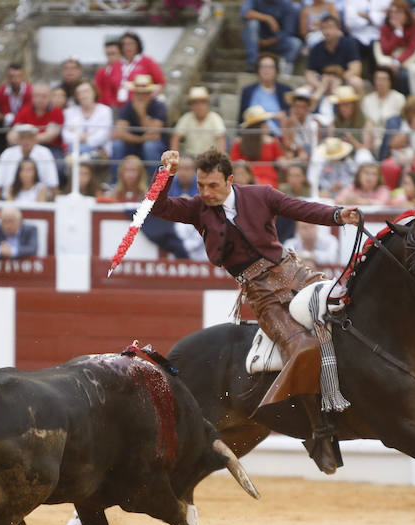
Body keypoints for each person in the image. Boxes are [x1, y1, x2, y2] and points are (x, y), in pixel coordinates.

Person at [152, 148, 363, 473]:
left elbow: (300, 208)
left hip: (297, 275)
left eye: (213, 186)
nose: (205, 192)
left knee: (352, 309)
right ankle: (319, 433)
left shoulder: (260, 195)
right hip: (263, 296)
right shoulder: (197, 209)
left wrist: (337, 215)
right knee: (303, 348)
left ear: (230, 180)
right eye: (201, 185)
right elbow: (158, 206)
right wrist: (165, 173)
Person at [111, 74, 168, 179]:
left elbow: (154, 131)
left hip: (156, 147)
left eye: (144, 93)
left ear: (150, 93)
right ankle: (115, 181)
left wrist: (141, 113)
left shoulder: (159, 106)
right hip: (133, 145)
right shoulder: (128, 107)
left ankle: (155, 182)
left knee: (150, 146)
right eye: (138, 93)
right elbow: (119, 132)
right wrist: (141, 139)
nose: (141, 96)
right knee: (117, 145)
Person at [378, 95, 415, 190]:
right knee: (390, 166)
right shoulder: (394, 121)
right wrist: (412, 128)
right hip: (396, 156)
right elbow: (393, 144)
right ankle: (390, 192)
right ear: (409, 112)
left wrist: (410, 162)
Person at [0, 124, 58, 201]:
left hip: (39, 200)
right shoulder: (7, 154)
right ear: (18, 139)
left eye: (29, 137)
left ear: (35, 139)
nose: (26, 141)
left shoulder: (45, 153)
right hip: (9, 201)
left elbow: (53, 184)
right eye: (22, 137)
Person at [7, 82, 64, 163]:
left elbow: (49, 136)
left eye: (43, 96)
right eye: (37, 95)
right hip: (24, 147)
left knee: (58, 165)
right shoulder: (24, 111)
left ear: (50, 97)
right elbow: (12, 135)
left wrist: (25, 139)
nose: (39, 99)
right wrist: (25, 141)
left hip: (51, 147)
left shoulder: (57, 112)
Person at [241, 0, 303, 74]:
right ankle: (252, 63)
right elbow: (245, 13)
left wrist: (268, 42)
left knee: (296, 43)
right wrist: (268, 18)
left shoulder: (287, 4)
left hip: (276, 41)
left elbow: (288, 31)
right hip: (256, 41)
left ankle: (284, 67)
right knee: (252, 23)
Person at [231, 106, 286, 188]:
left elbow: (281, 161)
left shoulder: (272, 142)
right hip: (246, 181)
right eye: (264, 123)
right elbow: (235, 164)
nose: (267, 126)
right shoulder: (238, 143)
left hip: (268, 180)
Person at [239, 54, 293, 137]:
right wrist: (273, 115)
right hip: (253, 137)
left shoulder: (285, 90)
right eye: (263, 67)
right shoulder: (248, 91)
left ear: (276, 70)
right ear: (258, 69)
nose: (266, 70)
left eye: (270, 67)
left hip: (279, 137)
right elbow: (242, 118)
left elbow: (289, 116)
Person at [375, 0, 415, 94]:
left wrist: (398, 61)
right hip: (389, 61)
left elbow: (412, 48)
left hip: (408, 61)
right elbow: (386, 50)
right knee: (387, 73)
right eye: (391, 12)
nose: (394, 15)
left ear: (406, 14)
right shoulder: (385, 28)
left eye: (398, 12)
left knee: (404, 75)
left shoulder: (414, 27)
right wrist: (398, 32)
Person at [305, 16, 363, 93]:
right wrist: (319, 85)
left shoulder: (349, 45)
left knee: (356, 82)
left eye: (330, 27)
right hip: (322, 81)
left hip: (343, 79)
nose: (327, 31)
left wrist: (340, 78)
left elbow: (356, 69)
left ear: (338, 29)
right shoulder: (316, 48)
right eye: (324, 28)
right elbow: (309, 72)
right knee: (304, 90)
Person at [170, 87, 227, 156]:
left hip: (210, 157)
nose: (199, 106)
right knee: (185, 161)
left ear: (207, 104)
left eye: (202, 102)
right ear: (191, 106)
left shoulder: (215, 118)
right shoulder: (186, 117)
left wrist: (219, 158)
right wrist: (174, 157)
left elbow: (221, 140)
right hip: (190, 157)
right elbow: (176, 138)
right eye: (194, 103)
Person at [62, 81, 113, 158]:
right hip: (74, 150)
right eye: (79, 93)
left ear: (94, 92)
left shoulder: (105, 110)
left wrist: (81, 139)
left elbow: (103, 135)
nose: (83, 95)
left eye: (86, 91)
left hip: (99, 152)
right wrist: (82, 137)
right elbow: (65, 135)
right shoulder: (69, 112)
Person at [114, 31, 165, 107]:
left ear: (137, 45)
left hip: (142, 105)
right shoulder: (117, 64)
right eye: (124, 44)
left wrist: (149, 98)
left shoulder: (147, 61)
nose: (127, 47)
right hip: (120, 105)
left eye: (130, 44)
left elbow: (160, 83)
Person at [328, 85, 374, 159]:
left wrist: (352, 141)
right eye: (340, 105)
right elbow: (329, 143)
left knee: (364, 155)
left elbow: (367, 149)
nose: (343, 108)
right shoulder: (334, 123)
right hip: (339, 159)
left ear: (354, 105)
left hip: (357, 157)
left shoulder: (366, 123)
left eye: (346, 104)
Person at [281, 87, 320, 162]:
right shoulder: (286, 122)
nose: (298, 110)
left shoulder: (315, 121)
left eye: (302, 107)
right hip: (296, 153)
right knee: (289, 154)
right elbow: (287, 144)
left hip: (312, 153)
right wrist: (293, 124)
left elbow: (316, 143)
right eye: (296, 106)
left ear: (307, 108)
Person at [0, 63, 32, 131]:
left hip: (26, 127)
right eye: (11, 76)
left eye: (18, 76)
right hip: (5, 128)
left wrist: (7, 117)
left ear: (23, 77)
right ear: (7, 77)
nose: (15, 79)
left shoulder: (31, 91)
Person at [361, 66, 405, 131]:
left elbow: (402, 121)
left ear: (390, 82)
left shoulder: (399, 98)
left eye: (383, 79)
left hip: (392, 132)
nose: (380, 82)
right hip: (371, 133)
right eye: (378, 79)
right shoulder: (367, 99)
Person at [94, 35, 123, 107]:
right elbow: (98, 96)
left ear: (121, 53)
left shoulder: (127, 71)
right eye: (108, 54)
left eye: (113, 53)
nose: (110, 57)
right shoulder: (100, 73)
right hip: (105, 109)